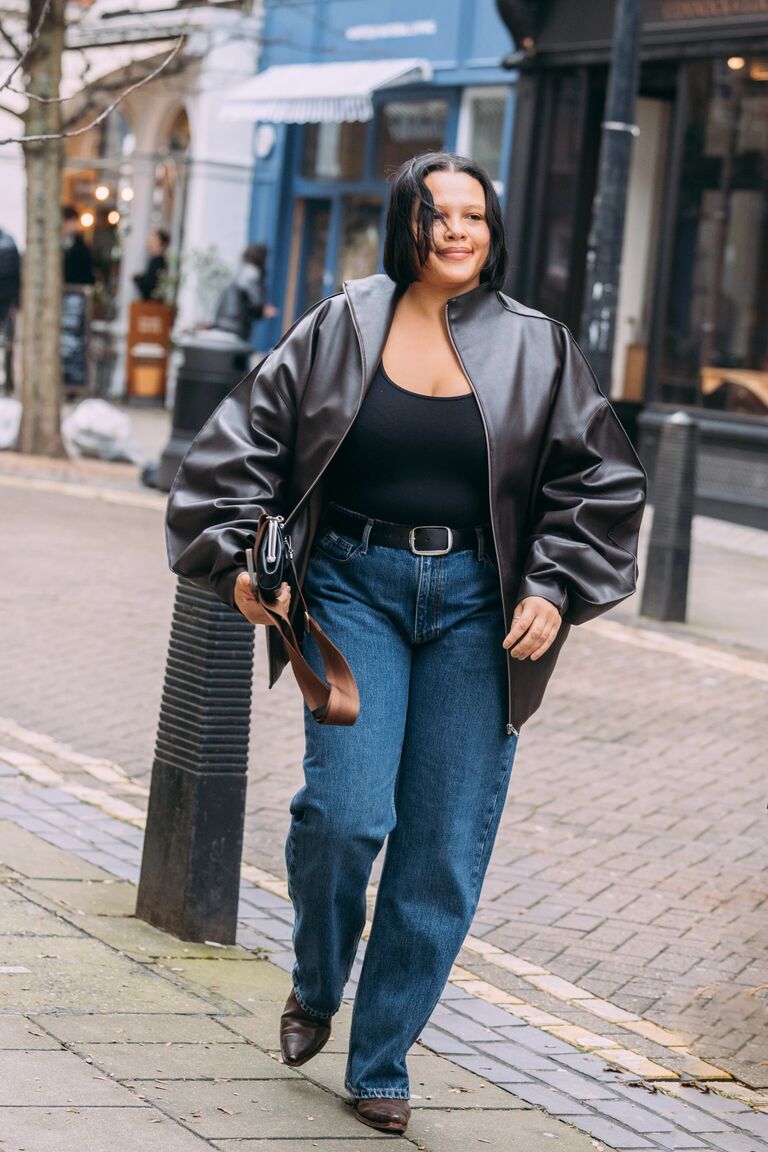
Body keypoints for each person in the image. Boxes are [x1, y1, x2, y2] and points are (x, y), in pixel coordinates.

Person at [165, 152, 647, 1135]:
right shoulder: (340, 324)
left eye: (474, 214)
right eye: (438, 214)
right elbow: (239, 454)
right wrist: (244, 566)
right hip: (351, 585)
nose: (458, 230)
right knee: (343, 817)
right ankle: (316, 974)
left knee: (439, 854)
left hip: (482, 607)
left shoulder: (538, 346)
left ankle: (381, 1058)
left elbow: (600, 486)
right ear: (405, 224)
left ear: (493, 227)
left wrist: (554, 583)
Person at [211, 243, 278, 340]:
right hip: (237, 327)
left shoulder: (238, 271)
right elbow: (255, 303)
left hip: (222, 324)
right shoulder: (252, 274)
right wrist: (264, 310)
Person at [0, 227, 20, 392]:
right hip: (8, 301)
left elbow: (16, 275)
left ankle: (8, 381)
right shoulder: (10, 243)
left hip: (7, 302)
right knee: (7, 343)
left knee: (7, 343)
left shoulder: (9, 244)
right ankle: (7, 382)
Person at [133, 229, 170, 302]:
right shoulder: (156, 261)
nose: (148, 243)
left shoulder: (158, 262)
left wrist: (138, 278)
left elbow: (150, 287)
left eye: (152, 239)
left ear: (159, 242)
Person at [61, 206, 95, 286]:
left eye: (74, 221)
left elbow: (86, 269)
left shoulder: (80, 245)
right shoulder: (54, 243)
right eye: (71, 221)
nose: (73, 225)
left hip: (75, 288)